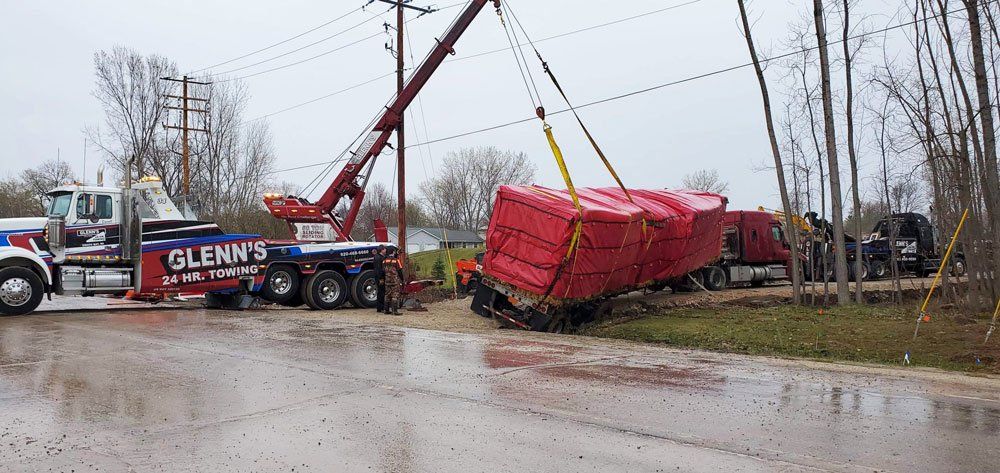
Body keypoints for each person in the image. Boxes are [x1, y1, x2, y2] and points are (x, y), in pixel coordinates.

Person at [382, 248, 404, 315]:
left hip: (387, 280)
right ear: (393, 252)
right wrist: (402, 280)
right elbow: (400, 271)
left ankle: (386, 310)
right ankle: (395, 311)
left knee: (387, 295)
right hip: (395, 280)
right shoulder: (396, 261)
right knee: (395, 295)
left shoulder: (384, 261)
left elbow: (383, 270)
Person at [373, 245, 386, 313]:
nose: (385, 250)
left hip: (378, 276)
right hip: (380, 277)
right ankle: (381, 307)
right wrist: (381, 278)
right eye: (384, 249)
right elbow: (379, 269)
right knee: (381, 292)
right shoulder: (379, 258)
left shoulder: (377, 257)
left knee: (380, 291)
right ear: (382, 250)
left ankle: (379, 307)